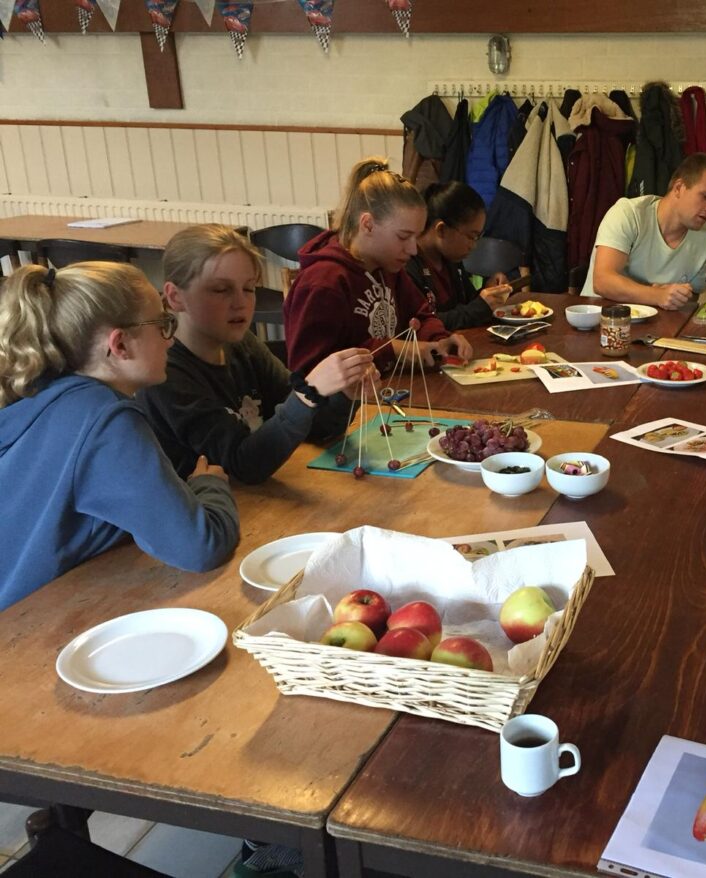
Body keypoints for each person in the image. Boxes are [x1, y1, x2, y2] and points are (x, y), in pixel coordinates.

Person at [0, 262, 239, 611]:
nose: (171, 339)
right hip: (28, 626)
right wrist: (210, 484)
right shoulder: (106, 420)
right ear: (120, 344)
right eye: (162, 324)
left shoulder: (48, 395)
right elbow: (201, 548)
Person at [139, 225, 373, 484]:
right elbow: (243, 465)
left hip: (254, 499)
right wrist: (308, 393)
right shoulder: (164, 374)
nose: (240, 303)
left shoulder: (243, 345)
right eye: (221, 289)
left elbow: (315, 427)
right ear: (175, 297)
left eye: (249, 288)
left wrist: (345, 394)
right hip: (209, 505)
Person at [283, 156, 472, 375]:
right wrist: (392, 350)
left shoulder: (388, 267)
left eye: (416, 237)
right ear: (368, 224)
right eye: (403, 237)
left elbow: (421, 315)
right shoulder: (323, 282)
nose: (413, 249)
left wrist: (439, 340)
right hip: (351, 398)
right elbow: (310, 373)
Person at [581, 152, 706, 309]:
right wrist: (656, 295)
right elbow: (603, 281)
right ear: (679, 188)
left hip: (658, 320)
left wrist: (677, 296)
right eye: (705, 196)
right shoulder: (628, 213)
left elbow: (692, 295)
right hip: (600, 317)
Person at [404, 181, 512, 331]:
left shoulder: (451, 259)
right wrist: (480, 307)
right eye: (471, 237)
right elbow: (422, 324)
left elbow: (466, 305)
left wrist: (488, 292)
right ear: (441, 229)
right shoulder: (407, 264)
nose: (473, 246)